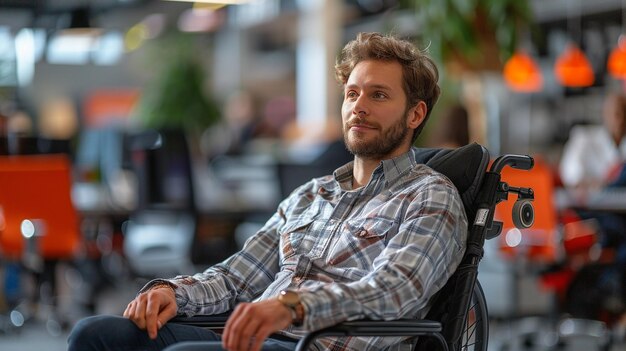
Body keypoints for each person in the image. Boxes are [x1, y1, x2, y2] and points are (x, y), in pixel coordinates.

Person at [67, 32, 468, 351]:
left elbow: (394, 291)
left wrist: (292, 307)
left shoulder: (431, 196)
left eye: (378, 95)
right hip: (258, 337)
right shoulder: (310, 196)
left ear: (415, 113)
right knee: (95, 335)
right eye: (352, 93)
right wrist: (173, 292)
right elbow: (236, 278)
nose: (358, 106)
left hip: (322, 345)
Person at [559, 93, 626, 189]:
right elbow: (571, 175)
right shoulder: (583, 139)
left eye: (625, 113)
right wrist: (595, 184)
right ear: (605, 114)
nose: (621, 120)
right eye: (617, 114)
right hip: (590, 202)